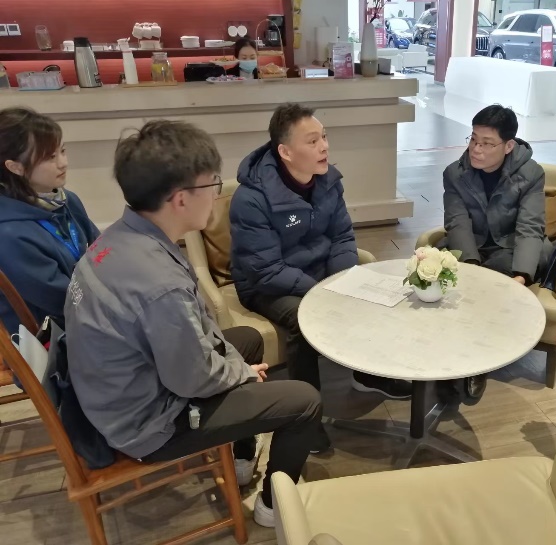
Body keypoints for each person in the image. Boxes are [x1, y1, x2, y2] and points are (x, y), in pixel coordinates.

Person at [64, 120, 321, 528]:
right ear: (181, 198)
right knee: (304, 402)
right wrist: (241, 374)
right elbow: (192, 379)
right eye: (212, 184)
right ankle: (274, 508)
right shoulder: (159, 284)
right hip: (149, 424)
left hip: (119, 393)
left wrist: (235, 366)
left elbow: (192, 343)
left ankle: (240, 460)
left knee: (246, 340)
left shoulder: (118, 237)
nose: (216, 194)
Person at [230, 103, 412, 453]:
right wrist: (322, 291)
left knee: (369, 291)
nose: (324, 147)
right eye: (312, 141)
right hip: (265, 285)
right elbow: (266, 270)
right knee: (303, 319)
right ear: (285, 152)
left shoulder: (328, 181)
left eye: (324, 137)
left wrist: (344, 278)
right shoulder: (251, 198)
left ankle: (368, 373)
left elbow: (342, 237)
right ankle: (305, 416)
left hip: (317, 276)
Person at [0, 107, 99, 335]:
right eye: (50, 157)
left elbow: (103, 250)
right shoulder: (8, 234)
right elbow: (61, 300)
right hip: (54, 336)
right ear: (15, 167)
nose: (63, 163)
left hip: (88, 312)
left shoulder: (67, 200)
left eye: (62, 151)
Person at [442, 105, 551, 286]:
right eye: (473, 139)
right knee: (433, 260)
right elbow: (457, 223)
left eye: (487, 143)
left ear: (508, 146)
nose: (476, 149)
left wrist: (521, 276)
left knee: (512, 264)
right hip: (473, 245)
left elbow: (530, 226)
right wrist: (471, 266)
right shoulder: (455, 174)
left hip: (511, 247)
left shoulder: (531, 174)